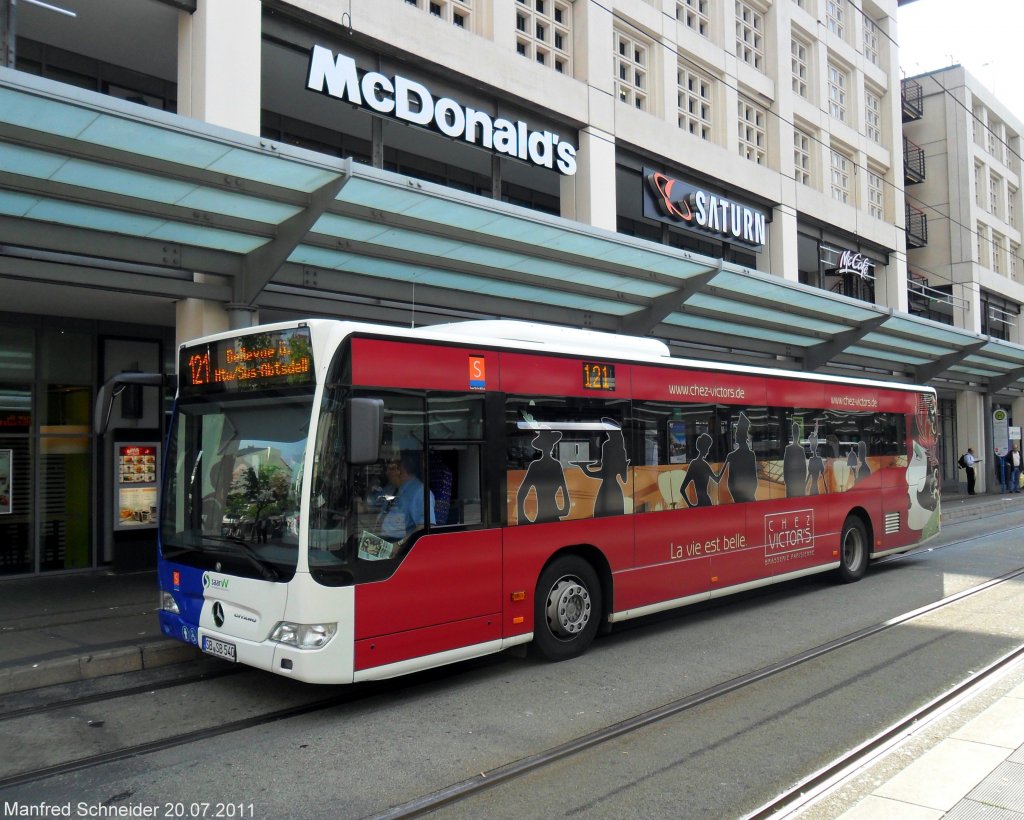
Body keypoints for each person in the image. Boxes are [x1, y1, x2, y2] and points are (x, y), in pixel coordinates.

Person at [373, 453, 435, 540]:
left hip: (399, 543)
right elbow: (371, 504)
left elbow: (425, 527)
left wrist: (399, 545)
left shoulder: (420, 492)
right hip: (379, 538)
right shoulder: (391, 488)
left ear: (398, 470)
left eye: (389, 469)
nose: (386, 473)